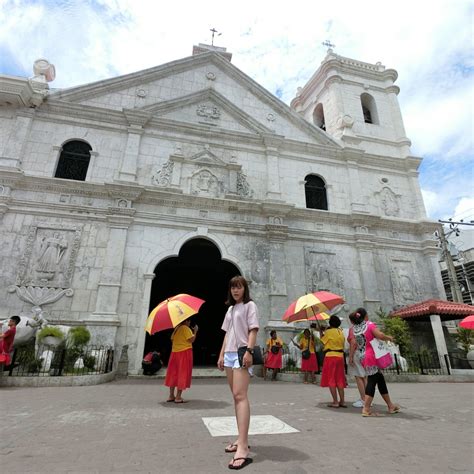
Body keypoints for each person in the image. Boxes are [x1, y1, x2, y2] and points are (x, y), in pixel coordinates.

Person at [218, 275, 259, 471]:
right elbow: (227, 333)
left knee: (240, 396)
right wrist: (220, 355)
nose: (236, 291)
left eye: (239, 287)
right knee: (235, 397)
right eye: (233, 287)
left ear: (245, 289)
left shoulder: (250, 306)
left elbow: (253, 330)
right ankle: (240, 438)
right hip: (229, 354)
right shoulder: (230, 309)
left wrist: (250, 351)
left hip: (242, 353)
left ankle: (243, 447)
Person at [350, 307, 400, 417]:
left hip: (364, 356)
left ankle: (390, 405)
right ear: (365, 316)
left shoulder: (355, 328)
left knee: (380, 380)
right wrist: (388, 337)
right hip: (372, 356)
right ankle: (366, 408)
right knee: (372, 381)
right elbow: (380, 335)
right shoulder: (369, 325)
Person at [164, 318, 198, 403]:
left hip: (174, 352)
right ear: (186, 321)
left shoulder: (177, 328)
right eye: (189, 321)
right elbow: (191, 340)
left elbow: (172, 339)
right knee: (182, 373)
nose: (190, 323)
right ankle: (178, 397)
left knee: (173, 374)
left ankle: (171, 395)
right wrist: (195, 331)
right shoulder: (185, 328)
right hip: (184, 352)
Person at [320, 315, 346, 407]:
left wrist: (321, 333)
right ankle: (342, 401)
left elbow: (322, 342)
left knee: (331, 379)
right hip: (340, 356)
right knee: (339, 379)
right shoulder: (340, 331)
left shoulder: (328, 332)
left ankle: (335, 402)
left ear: (330, 323)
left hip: (330, 356)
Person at [348, 312, 367, 408]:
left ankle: (364, 399)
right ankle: (368, 399)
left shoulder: (353, 329)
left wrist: (350, 357)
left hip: (358, 354)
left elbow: (353, 343)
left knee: (359, 377)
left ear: (352, 321)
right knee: (365, 376)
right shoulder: (365, 327)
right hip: (366, 353)